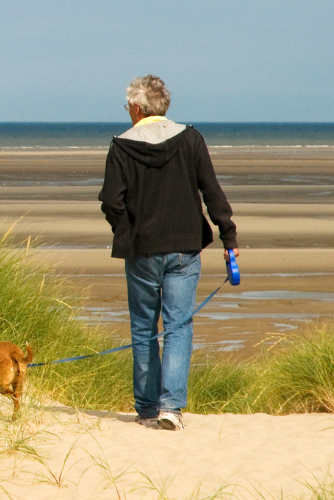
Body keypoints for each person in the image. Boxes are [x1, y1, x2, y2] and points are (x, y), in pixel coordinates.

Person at [98, 75, 238, 431]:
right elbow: (213, 192)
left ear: (136, 108)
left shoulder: (122, 145)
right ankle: (169, 408)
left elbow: (112, 204)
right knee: (177, 326)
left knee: (145, 327)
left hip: (146, 250)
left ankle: (149, 409)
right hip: (182, 248)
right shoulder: (190, 138)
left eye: (127, 106)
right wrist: (229, 237)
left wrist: (127, 232)